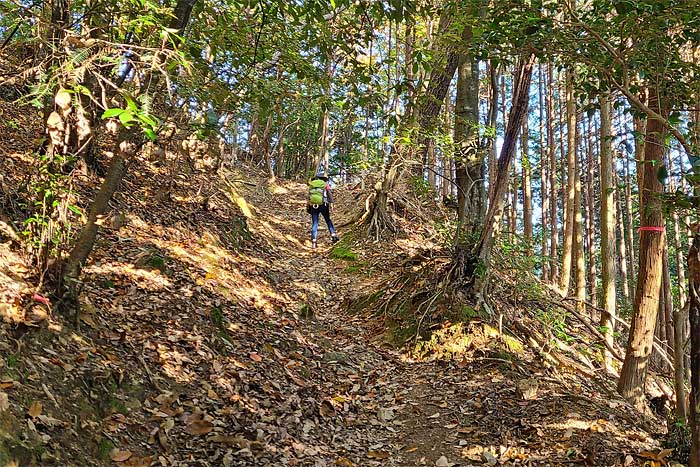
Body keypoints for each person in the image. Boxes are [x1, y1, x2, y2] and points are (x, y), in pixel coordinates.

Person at [307, 175, 339, 249]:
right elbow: (329, 194)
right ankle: (333, 235)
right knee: (328, 220)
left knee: (315, 223)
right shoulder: (325, 185)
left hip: (314, 205)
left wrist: (308, 206)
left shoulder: (312, 184)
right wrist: (331, 204)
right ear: (324, 180)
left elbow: (308, 196)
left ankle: (314, 241)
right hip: (324, 205)